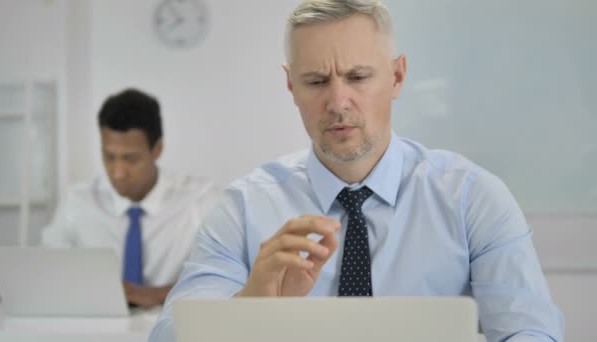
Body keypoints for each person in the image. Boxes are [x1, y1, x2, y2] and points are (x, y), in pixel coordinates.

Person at [150, 1, 564, 341]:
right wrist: (249, 306)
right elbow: (170, 335)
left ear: (397, 76)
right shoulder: (243, 208)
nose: (337, 101)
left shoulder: (471, 198)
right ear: (291, 86)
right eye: (315, 81)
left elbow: (529, 331)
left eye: (358, 76)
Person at [41, 88, 221, 307]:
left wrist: (154, 295)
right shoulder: (77, 201)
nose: (118, 172)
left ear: (157, 149)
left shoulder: (200, 200)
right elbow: (48, 274)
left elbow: (231, 277)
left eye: (131, 159)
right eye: (109, 157)